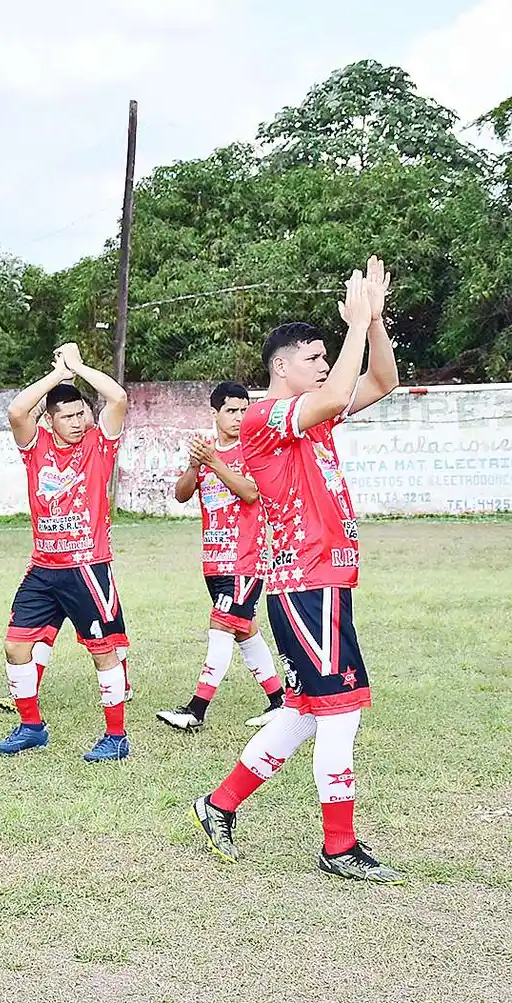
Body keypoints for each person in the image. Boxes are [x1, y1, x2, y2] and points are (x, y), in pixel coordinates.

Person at [193, 258, 404, 884]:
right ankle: (338, 846)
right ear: (281, 365)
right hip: (301, 583)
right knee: (341, 709)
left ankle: (218, 803)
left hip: (326, 582)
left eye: (324, 355)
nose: (322, 365)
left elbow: (381, 381)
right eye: (311, 356)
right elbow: (339, 389)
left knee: (313, 709)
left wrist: (376, 321)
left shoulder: (316, 415)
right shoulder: (263, 418)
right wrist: (355, 323)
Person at [0, 342, 132, 762]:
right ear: (50, 421)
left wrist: (79, 368)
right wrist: (58, 376)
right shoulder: (36, 446)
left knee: (103, 651)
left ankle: (116, 736)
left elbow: (119, 398)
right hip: (43, 568)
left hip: (88, 567)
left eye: (81, 414)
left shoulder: (99, 444)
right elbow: (18, 411)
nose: (77, 422)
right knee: (16, 646)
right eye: (68, 416)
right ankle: (31, 726)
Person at [158, 382, 284, 732]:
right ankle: (280, 700)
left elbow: (250, 492)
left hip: (245, 560)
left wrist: (214, 462)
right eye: (231, 410)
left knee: (222, 626)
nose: (239, 418)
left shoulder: (253, 450)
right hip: (214, 562)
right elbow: (182, 495)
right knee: (245, 631)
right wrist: (195, 466)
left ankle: (196, 710)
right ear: (214, 413)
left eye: (244, 410)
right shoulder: (206, 451)